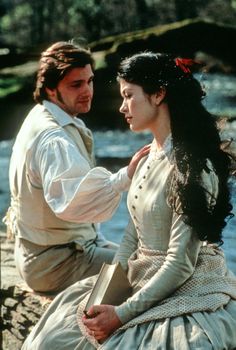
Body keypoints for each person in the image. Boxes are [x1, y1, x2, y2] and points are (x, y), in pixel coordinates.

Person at [22, 52, 236, 350]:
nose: (122, 106)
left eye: (128, 96)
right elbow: (130, 238)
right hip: (141, 272)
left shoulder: (193, 168)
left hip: (185, 285)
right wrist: (104, 297)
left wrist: (120, 315)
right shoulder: (148, 157)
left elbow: (180, 264)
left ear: (159, 94)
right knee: (53, 339)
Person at [4, 41, 149, 295]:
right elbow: (73, 203)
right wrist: (126, 176)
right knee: (151, 273)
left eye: (89, 81)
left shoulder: (41, 115)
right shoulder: (53, 138)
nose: (87, 91)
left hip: (44, 254)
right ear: (50, 88)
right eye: (76, 85)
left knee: (149, 262)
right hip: (56, 264)